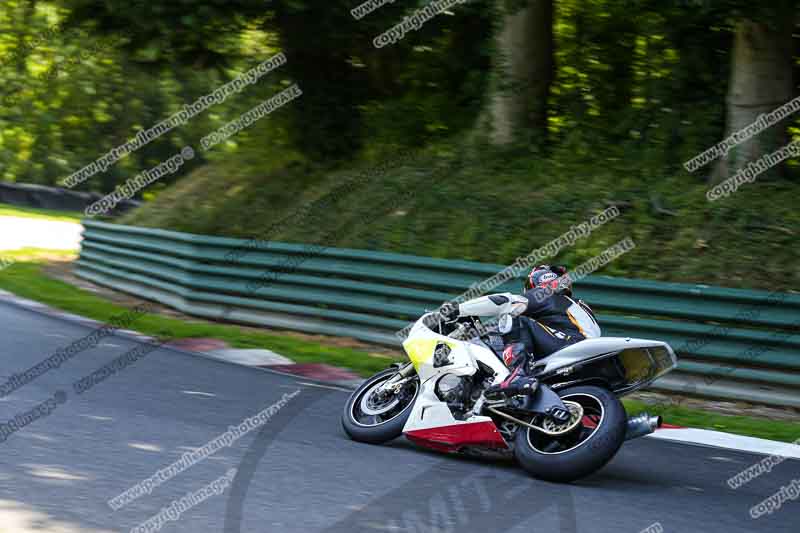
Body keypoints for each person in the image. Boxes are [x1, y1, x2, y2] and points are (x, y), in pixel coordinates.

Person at [441, 265, 600, 399]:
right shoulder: (573, 305)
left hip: (569, 345)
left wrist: (458, 309)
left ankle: (517, 375)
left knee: (515, 319)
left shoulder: (545, 294)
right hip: (578, 350)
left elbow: (504, 302)